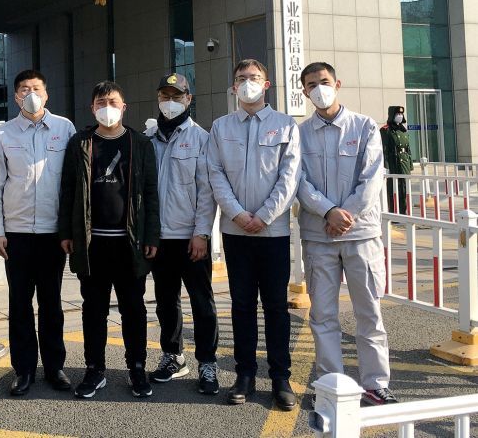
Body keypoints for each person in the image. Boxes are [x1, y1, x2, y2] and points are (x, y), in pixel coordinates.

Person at [296, 62, 398, 406]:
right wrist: (328, 212)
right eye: (311, 85)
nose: (319, 89)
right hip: (319, 236)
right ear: (304, 91)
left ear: (337, 83)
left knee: (369, 313)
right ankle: (330, 385)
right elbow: (298, 181)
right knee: (323, 316)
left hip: (360, 235)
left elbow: (372, 178)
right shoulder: (300, 133)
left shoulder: (364, 126)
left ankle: (376, 383)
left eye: (324, 82)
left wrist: (345, 215)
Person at [206, 59, 300, 410]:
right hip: (236, 232)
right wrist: (238, 214)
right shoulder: (221, 127)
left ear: (267, 84)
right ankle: (244, 374)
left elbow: (290, 177)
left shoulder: (285, 125)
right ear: (234, 87)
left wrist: (264, 216)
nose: (248, 83)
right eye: (241, 78)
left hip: (273, 233)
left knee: (276, 307)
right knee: (242, 305)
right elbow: (215, 173)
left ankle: (280, 377)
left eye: (254, 78)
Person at [59, 80, 160, 400]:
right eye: (101, 103)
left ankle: (137, 367)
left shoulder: (139, 143)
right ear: (92, 108)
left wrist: (151, 234)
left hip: (129, 243)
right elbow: (68, 190)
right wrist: (66, 233)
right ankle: (95, 369)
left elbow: (151, 193)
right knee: (93, 309)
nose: (107, 108)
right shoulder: (80, 143)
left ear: (124, 107)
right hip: (92, 244)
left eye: (113, 102)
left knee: (133, 309)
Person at [0, 70, 76, 397]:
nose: (31, 94)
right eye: (24, 89)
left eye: (36, 88)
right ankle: (23, 369)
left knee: (52, 303)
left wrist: (70, 229)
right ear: (16, 96)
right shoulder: (3, 133)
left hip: (53, 233)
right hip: (17, 233)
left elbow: (73, 184)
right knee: (20, 304)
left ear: (46, 93)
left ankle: (54, 367)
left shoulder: (65, 129)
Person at [144, 73, 220, 395]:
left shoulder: (202, 139)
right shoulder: (148, 139)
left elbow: (207, 192)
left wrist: (201, 233)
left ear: (189, 99)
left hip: (191, 238)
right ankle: (173, 356)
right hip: (160, 238)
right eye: (165, 96)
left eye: (177, 96)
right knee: (166, 302)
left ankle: (207, 362)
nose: (170, 102)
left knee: (202, 303)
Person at [379, 105, 413, 215]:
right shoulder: (386, 130)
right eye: (398, 114)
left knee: (404, 189)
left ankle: (403, 212)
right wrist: (386, 166)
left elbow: (408, 149)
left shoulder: (403, 130)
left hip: (404, 164)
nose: (400, 116)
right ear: (392, 115)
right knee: (393, 189)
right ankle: (394, 212)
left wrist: (410, 165)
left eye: (401, 114)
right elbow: (384, 149)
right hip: (394, 164)